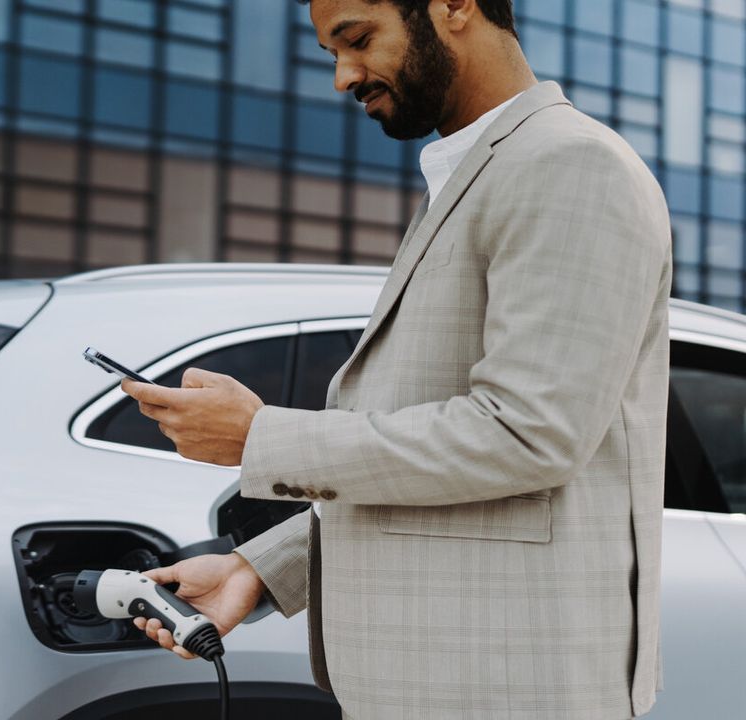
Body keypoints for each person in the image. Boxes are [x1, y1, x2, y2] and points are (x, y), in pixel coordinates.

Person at [120, 1, 672, 718]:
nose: (343, 76)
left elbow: (527, 434)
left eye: (356, 40)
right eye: (331, 53)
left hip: (507, 691)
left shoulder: (569, 165)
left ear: (454, 7)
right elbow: (429, 462)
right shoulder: (480, 171)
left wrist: (262, 437)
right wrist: (259, 570)